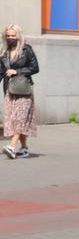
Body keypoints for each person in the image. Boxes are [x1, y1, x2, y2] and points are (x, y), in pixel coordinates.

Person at [0, 25, 39, 159]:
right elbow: (1, 72)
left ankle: (11, 146)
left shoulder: (26, 50)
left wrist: (17, 71)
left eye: (13, 35)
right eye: (8, 36)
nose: (10, 38)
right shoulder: (4, 52)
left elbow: (35, 68)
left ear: (18, 36)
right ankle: (24, 149)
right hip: (9, 90)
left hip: (23, 90)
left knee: (19, 119)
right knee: (13, 119)